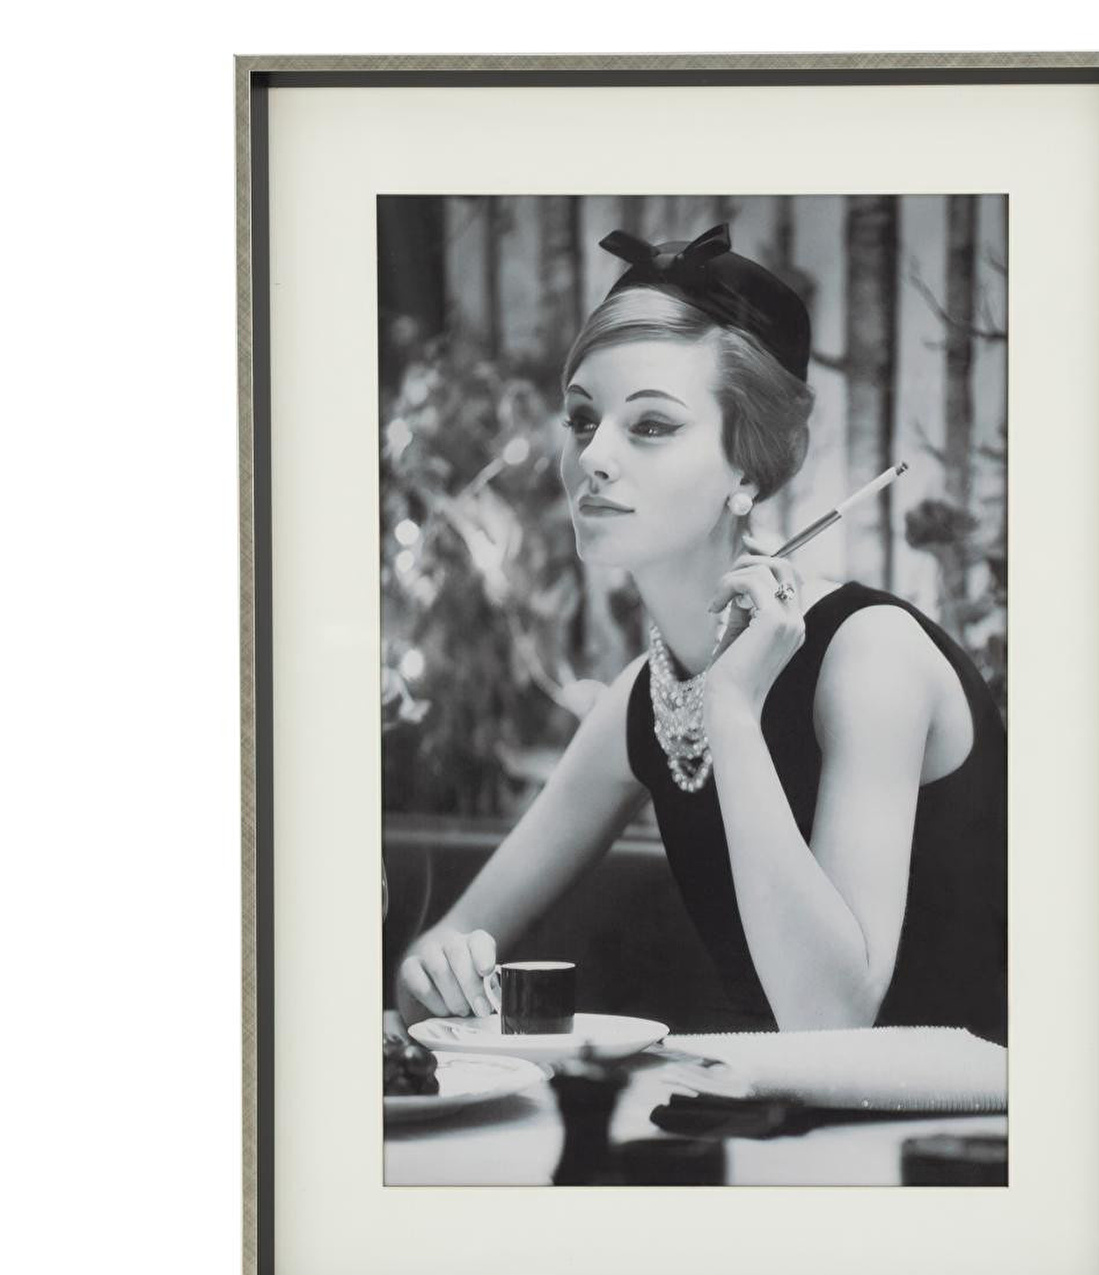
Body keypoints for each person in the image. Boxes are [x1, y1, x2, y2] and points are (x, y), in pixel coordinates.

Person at [396, 223, 1007, 1042]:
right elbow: (435, 957)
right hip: (748, 1108)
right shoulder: (640, 702)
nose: (594, 458)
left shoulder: (872, 658)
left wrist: (734, 712)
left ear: (746, 468)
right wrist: (435, 968)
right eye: (582, 419)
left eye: (651, 425)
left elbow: (831, 1018)